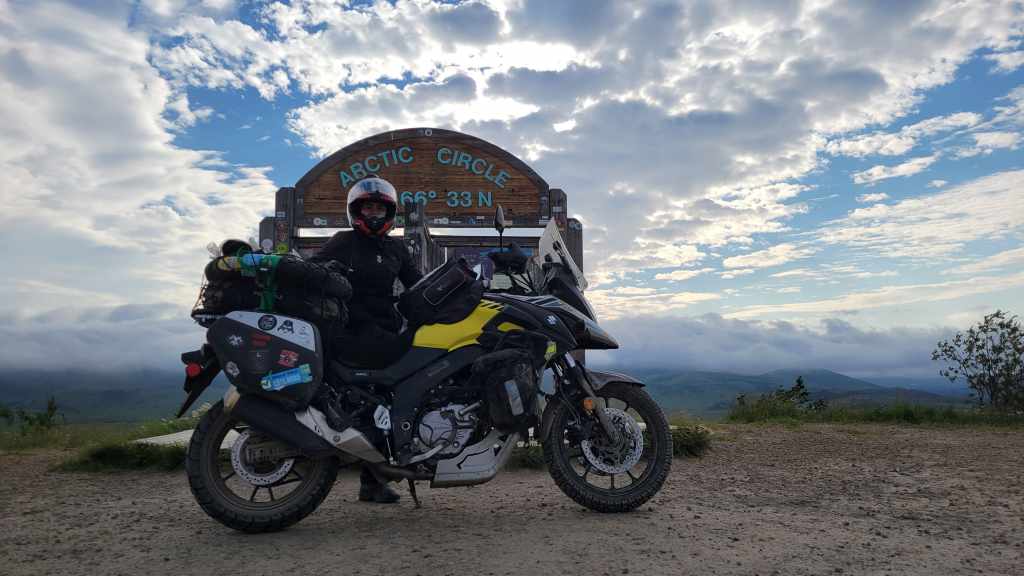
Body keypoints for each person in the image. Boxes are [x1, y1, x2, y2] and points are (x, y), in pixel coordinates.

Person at [310, 176, 422, 504]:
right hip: (351, 330)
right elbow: (313, 271)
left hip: (385, 330)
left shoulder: (396, 248)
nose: (373, 213)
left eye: (379, 208)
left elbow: (417, 284)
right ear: (356, 211)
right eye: (368, 207)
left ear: (389, 213)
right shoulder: (343, 242)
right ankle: (374, 474)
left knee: (392, 393)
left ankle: (374, 480)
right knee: (380, 395)